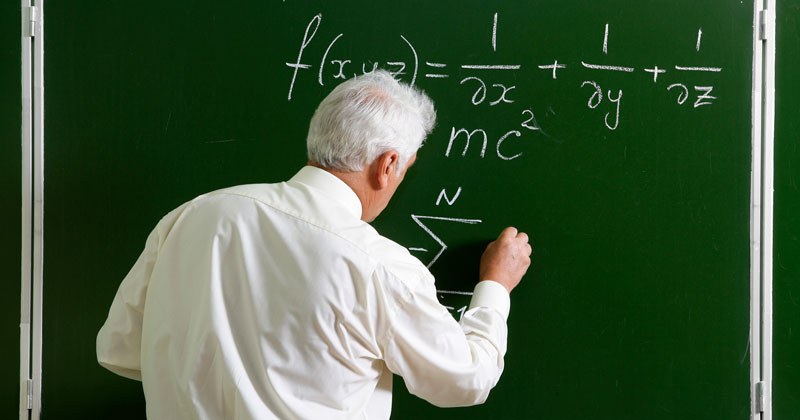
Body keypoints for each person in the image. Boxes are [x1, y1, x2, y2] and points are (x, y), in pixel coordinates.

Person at [96, 70, 532, 419]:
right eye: (406, 169)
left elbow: (119, 349)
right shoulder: (378, 267)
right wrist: (495, 286)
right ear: (387, 165)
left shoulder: (191, 216)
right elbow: (468, 380)